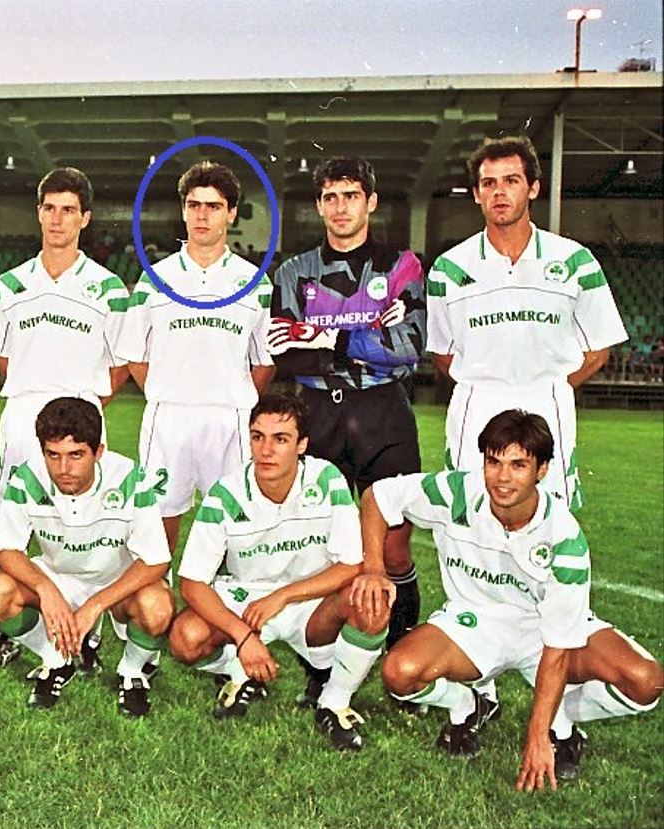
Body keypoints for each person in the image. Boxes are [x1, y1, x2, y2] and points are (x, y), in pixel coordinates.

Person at [356, 409, 661, 787]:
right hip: (474, 623)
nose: (502, 477)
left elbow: (558, 647)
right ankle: (468, 705)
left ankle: (562, 723)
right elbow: (377, 497)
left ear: (542, 471)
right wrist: (373, 567)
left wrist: (539, 735)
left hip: (542, 629)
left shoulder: (563, 537)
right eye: (494, 462)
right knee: (399, 673)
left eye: (518, 465)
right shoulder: (456, 493)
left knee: (645, 681)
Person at [168, 393, 388, 751]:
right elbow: (192, 583)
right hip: (247, 599)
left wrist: (283, 596)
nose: (266, 450)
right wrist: (243, 637)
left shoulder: (326, 479)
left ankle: (334, 702)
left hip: (311, 601)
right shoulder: (227, 493)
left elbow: (352, 564)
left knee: (371, 601)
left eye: (280, 439)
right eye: (258, 437)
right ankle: (240, 673)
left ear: (302, 445)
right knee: (185, 637)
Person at [0, 166, 130, 671]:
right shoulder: (9, 284)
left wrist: (84, 409)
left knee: (81, 520)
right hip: (23, 411)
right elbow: (2, 356)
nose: (58, 219)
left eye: (68, 210)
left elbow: (121, 362)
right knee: (12, 520)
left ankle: (88, 629)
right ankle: (9, 628)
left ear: (85, 218)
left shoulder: (108, 288)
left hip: (81, 412)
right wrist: (36, 394)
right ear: (38, 213)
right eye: (49, 209)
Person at [268, 156, 426, 649]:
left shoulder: (400, 266)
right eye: (331, 197)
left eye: (351, 196)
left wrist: (326, 338)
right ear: (319, 206)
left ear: (370, 202)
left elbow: (407, 348)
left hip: (384, 412)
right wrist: (367, 337)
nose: (341, 207)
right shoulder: (295, 272)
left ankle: (401, 645)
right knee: (324, 547)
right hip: (319, 414)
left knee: (393, 546)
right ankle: (323, 657)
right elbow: (286, 354)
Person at [428, 136, 627, 512]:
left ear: (533, 187)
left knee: (550, 522)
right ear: (476, 194)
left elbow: (598, 351)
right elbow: (443, 354)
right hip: (477, 408)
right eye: (489, 183)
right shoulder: (448, 269)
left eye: (511, 180)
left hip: (547, 408)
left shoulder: (575, 262)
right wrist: (491, 386)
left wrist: (544, 387)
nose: (499, 192)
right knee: (470, 518)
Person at [117, 160, 276, 553]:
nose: (203, 215)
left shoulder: (256, 283)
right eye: (194, 205)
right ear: (183, 210)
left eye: (214, 206)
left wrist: (233, 397)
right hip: (168, 419)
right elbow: (135, 355)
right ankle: (158, 594)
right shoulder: (154, 279)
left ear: (232, 213)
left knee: (237, 530)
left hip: (229, 421)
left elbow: (264, 361)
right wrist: (167, 391)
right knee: (157, 532)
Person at [0, 398, 171, 716]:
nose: (63, 469)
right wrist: (45, 589)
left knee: (157, 606)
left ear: (99, 452)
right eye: (53, 455)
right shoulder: (28, 478)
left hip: (115, 580)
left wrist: (95, 605)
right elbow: (5, 548)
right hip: (58, 576)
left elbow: (155, 560)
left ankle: (132, 672)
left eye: (76, 455)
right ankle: (57, 659)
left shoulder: (130, 479)